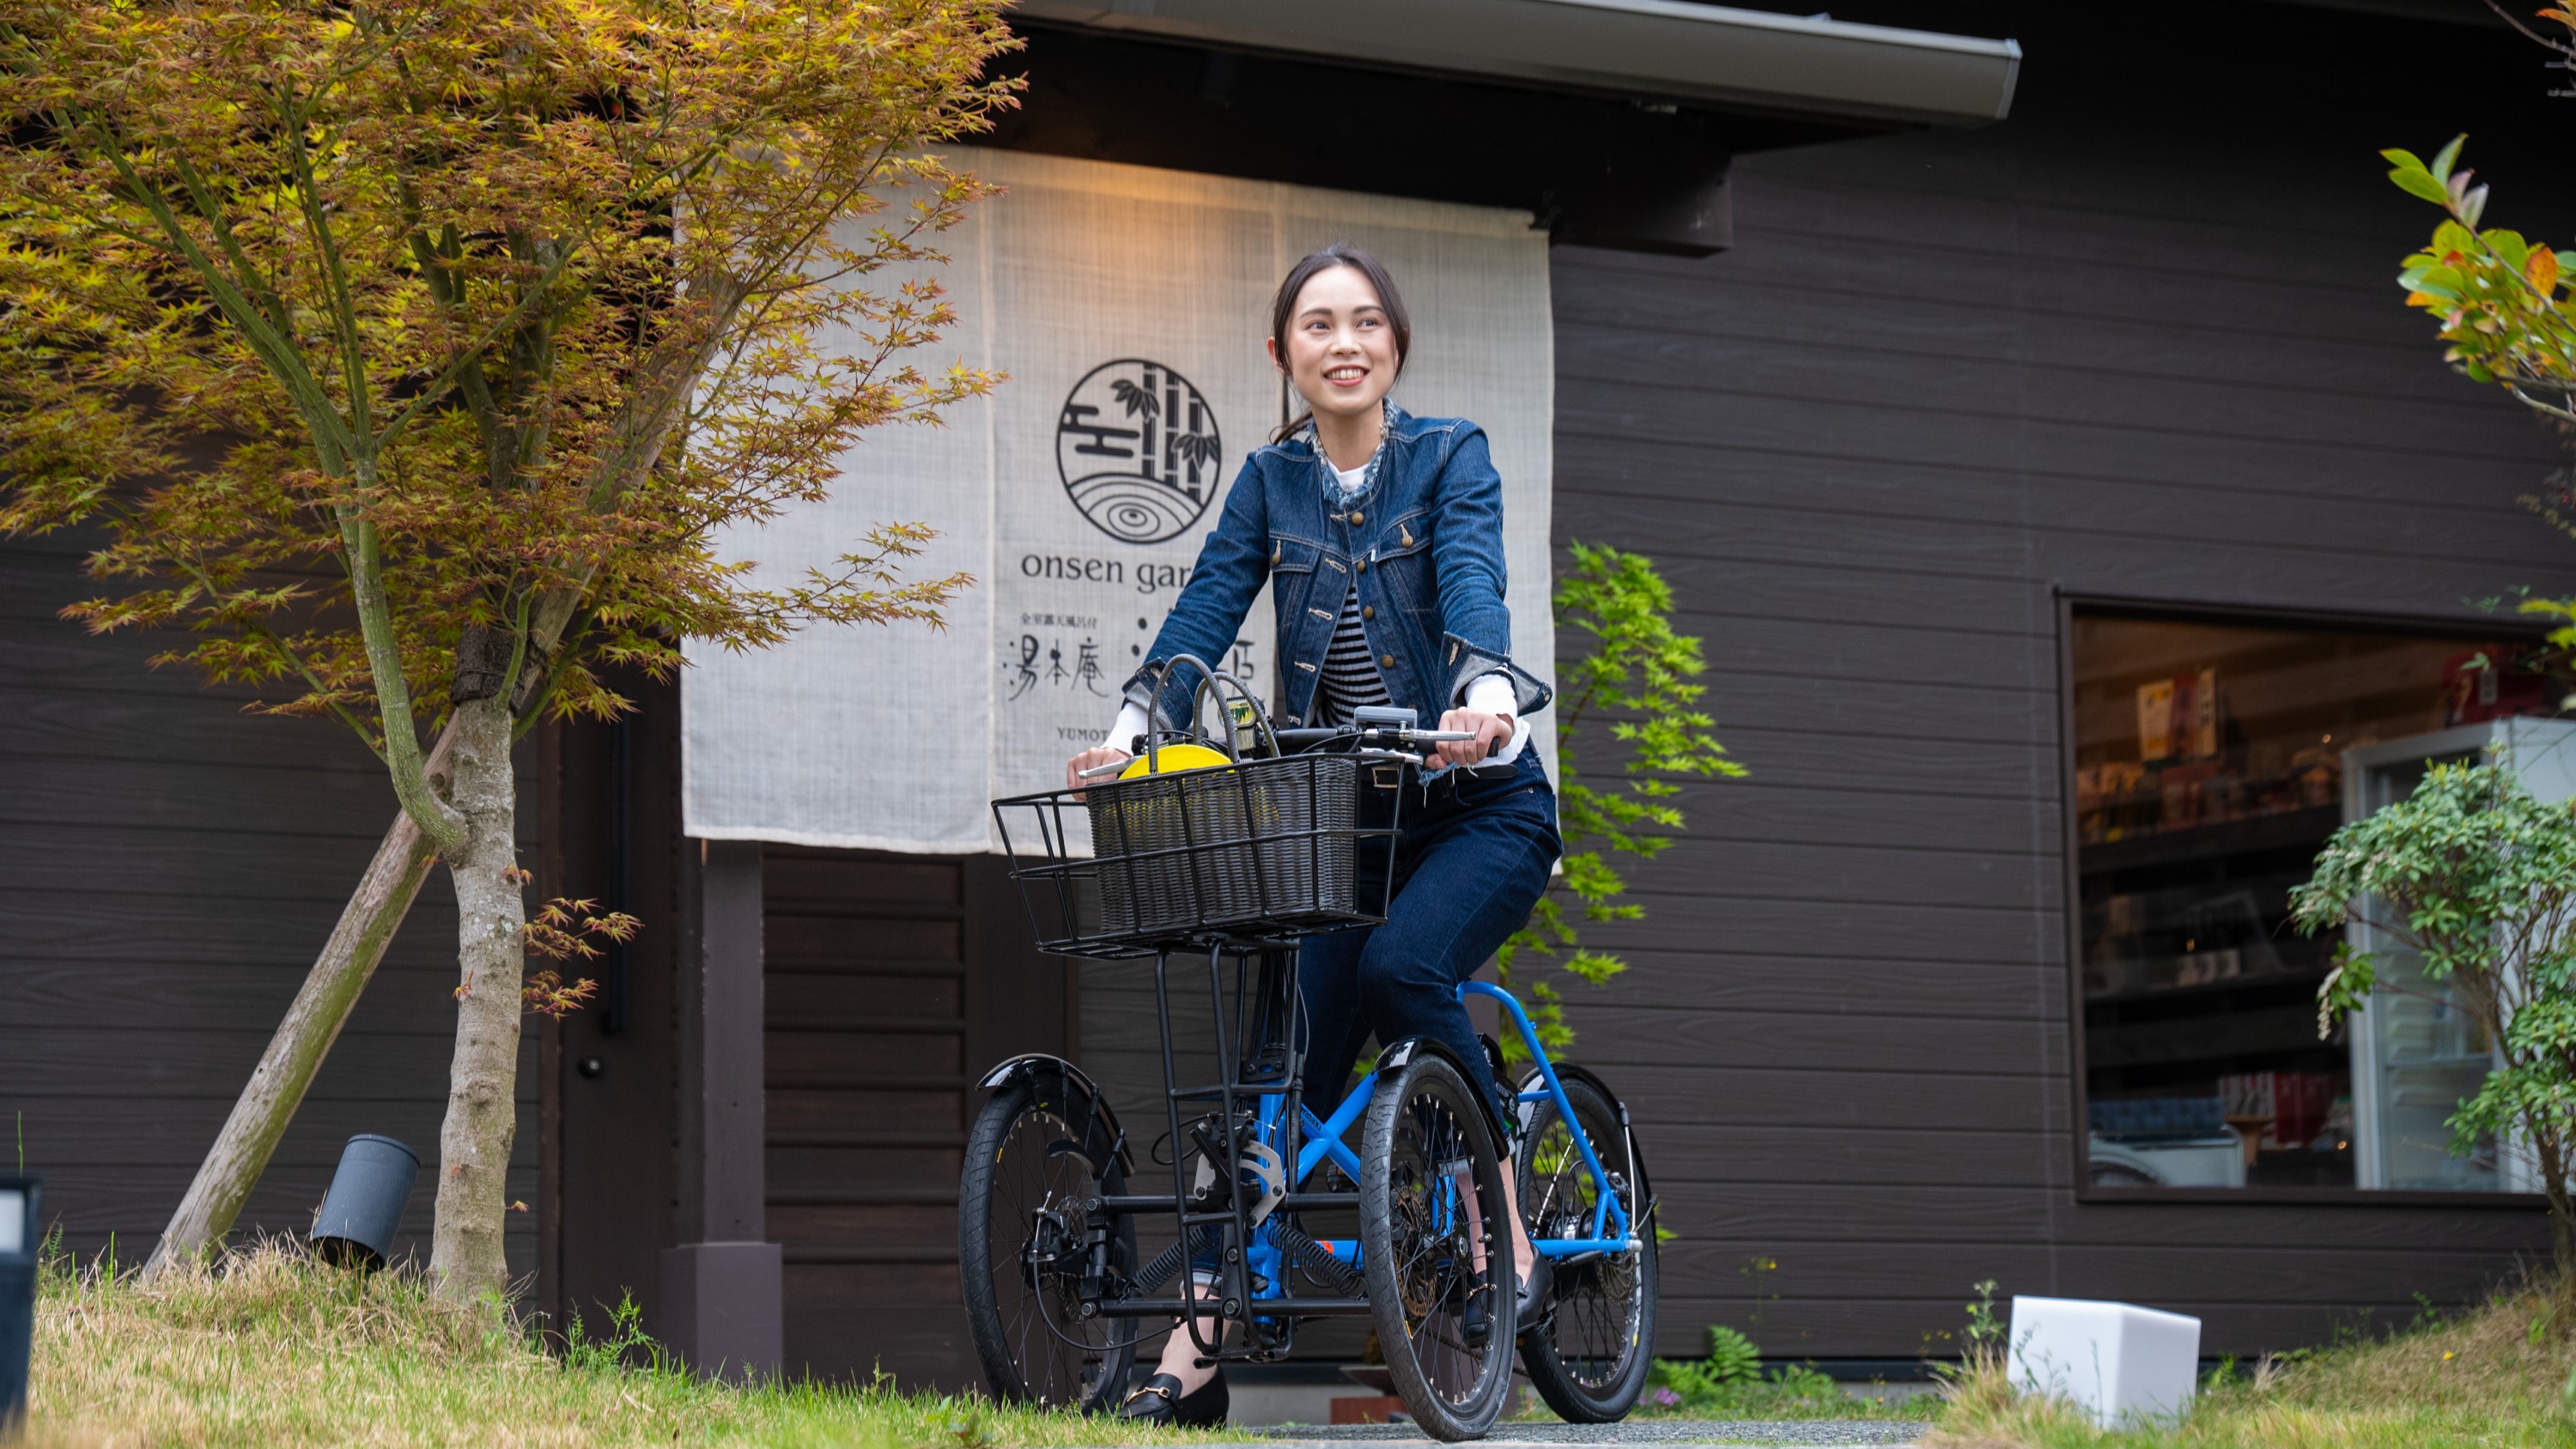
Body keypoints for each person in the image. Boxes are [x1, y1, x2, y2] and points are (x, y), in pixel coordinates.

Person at [1065, 245, 1562, 1427]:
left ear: (1395, 347)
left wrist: (1486, 695)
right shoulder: (1267, 481)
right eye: (1318, 326)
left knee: (1404, 968)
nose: (1344, 344)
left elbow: (1472, 577)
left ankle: (1509, 1232)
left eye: (1366, 323)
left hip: (1481, 805)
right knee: (1276, 1078)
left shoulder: (1450, 456)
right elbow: (1202, 613)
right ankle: (1199, 1341)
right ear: (1283, 352)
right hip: (1347, 827)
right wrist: (1136, 724)